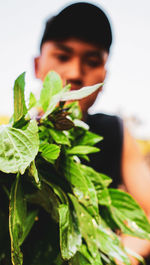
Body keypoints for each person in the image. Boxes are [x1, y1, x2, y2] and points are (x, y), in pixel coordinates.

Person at [34, 2, 150, 264]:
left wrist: (122, 256)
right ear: (37, 65)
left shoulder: (114, 132)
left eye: (92, 61)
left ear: (104, 77)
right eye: (63, 57)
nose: (75, 73)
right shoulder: (12, 144)